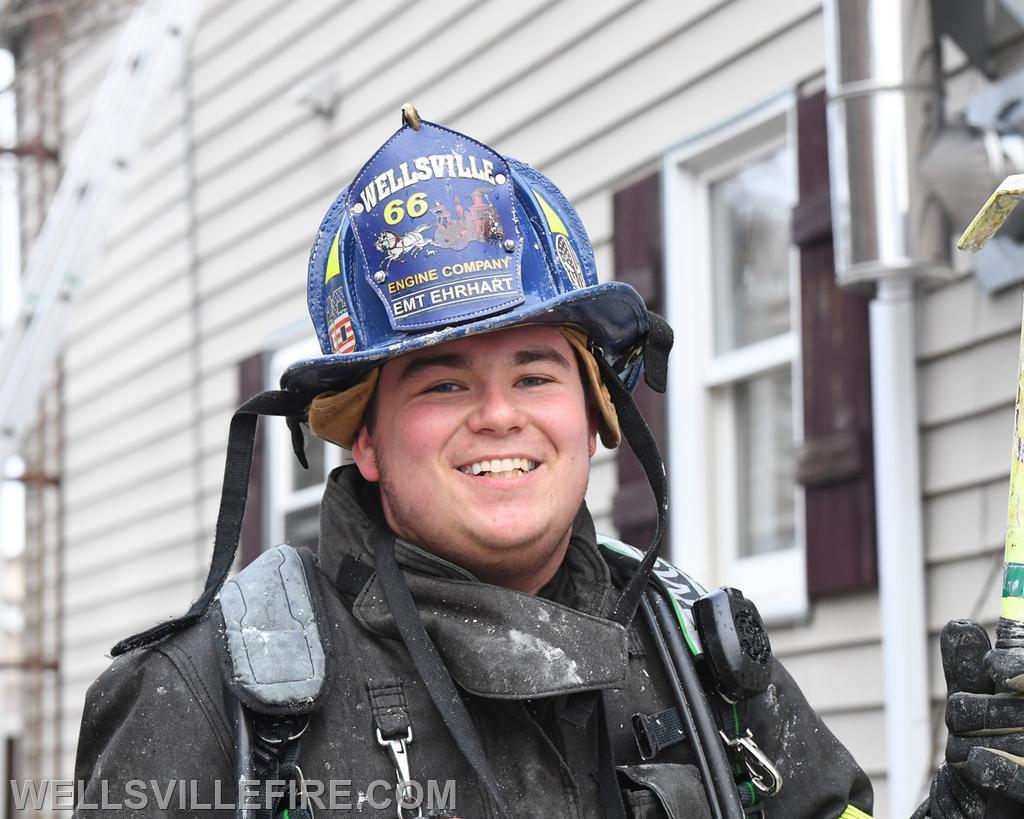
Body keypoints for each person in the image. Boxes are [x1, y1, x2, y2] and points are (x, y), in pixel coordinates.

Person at [70, 109, 1024, 819]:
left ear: (598, 412)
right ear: (363, 435)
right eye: (442, 384)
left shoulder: (701, 663)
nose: (498, 417)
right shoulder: (205, 697)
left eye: (534, 372)